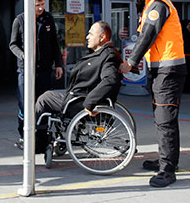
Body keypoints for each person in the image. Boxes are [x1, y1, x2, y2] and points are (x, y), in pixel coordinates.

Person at [119, 0, 186, 188]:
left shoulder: (158, 4)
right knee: (162, 118)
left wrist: (131, 62)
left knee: (165, 119)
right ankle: (167, 160)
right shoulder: (151, 4)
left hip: (169, 69)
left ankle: (167, 171)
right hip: (163, 69)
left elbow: (148, 34)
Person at [34, 21, 123, 150]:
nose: (87, 37)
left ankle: (40, 144)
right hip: (79, 97)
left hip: (81, 102)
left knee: (44, 99)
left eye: (91, 34)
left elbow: (110, 80)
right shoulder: (103, 54)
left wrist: (90, 102)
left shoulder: (108, 56)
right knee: (50, 95)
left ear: (102, 37)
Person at [10, 0, 63, 149]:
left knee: (43, 104)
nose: (40, 8)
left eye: (43, 4)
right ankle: (24, 137)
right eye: (37, 5)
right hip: (25, 71)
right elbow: (12, 44)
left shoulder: (48, 19)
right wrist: (22, 55)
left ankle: (42, 137)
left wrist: (58, 64)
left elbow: (55, 43)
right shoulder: (20, 20)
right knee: (24, 105)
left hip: (44, 70)